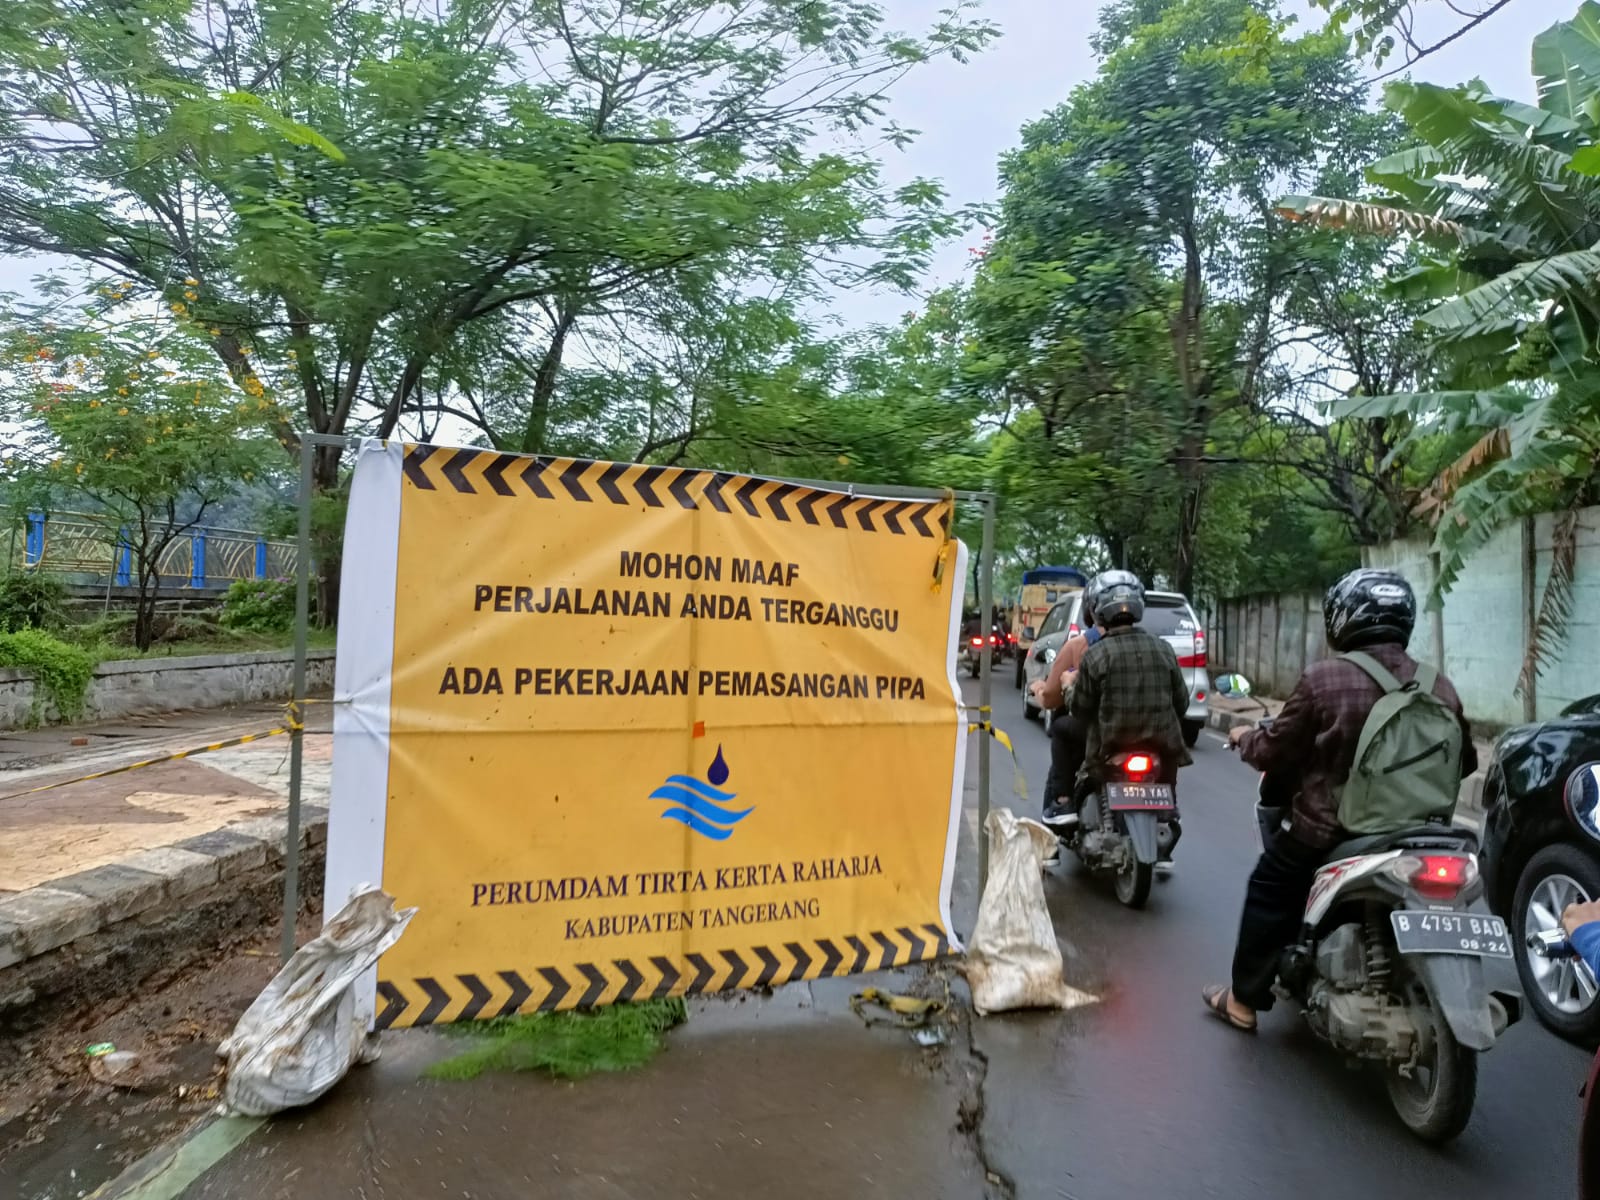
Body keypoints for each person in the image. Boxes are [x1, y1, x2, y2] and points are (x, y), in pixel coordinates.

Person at [1202, 568, 1477, 1032]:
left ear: (1343, 618)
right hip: (1421, 832)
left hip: (1332, 831)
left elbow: (1276, 750)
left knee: (1271, 887)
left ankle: (1243, 1001)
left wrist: (1248, 738)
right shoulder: (1439, 686)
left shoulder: (1324, 679)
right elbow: (1465, 762)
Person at [1062, 570, 1192, 860]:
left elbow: (1080, 710)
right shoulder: (1164, 649)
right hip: (1162, 750)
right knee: (1168, 788)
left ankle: (1066, 810)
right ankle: (1167, 813)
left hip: (1108, 748)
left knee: (1084, 776)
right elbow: (1181, 704)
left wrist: (1069, 686)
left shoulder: (1096, 655)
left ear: (1097, 611)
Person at [1032, 607, 1102, 823]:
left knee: (1060, 728)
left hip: (1097, 732)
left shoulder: (1081, 646)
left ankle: (1061, 804)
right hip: (1144, 731)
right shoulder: (1153, 646)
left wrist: (1039, 689)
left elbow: (1053, 697)